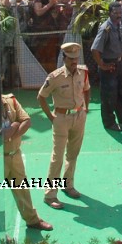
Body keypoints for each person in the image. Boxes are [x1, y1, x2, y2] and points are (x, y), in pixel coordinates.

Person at [0, 75, 53, 231]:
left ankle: (32, 220)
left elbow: (27, 121)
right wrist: (15, 125)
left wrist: (11, 131)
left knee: (23, 190)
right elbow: (1, 136)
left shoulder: (11, 101)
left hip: (14, 154)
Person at [38, 43, 89, 210]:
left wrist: (85, 108)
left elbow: (86, 90)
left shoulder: (83, 72)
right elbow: (41, 97)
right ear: (64, 58)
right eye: (71, 58)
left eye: (76, 58)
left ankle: (68, 185)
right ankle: (50, 195)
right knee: (57, 157)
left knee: (73, 154)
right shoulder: (55, 77)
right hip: (61, 118)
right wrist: (51, 117)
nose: (74, 61)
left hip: (79, 117)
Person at [90, 3, 122, 131]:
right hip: (109, 65)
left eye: (119, 12)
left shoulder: (118, 24)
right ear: (110, 13)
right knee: (109, 96)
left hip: (118, 63)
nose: (118, 15)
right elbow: (95, 49)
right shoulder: (105, 28)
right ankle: (109, 122)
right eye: (115, 13)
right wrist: (102, 65)